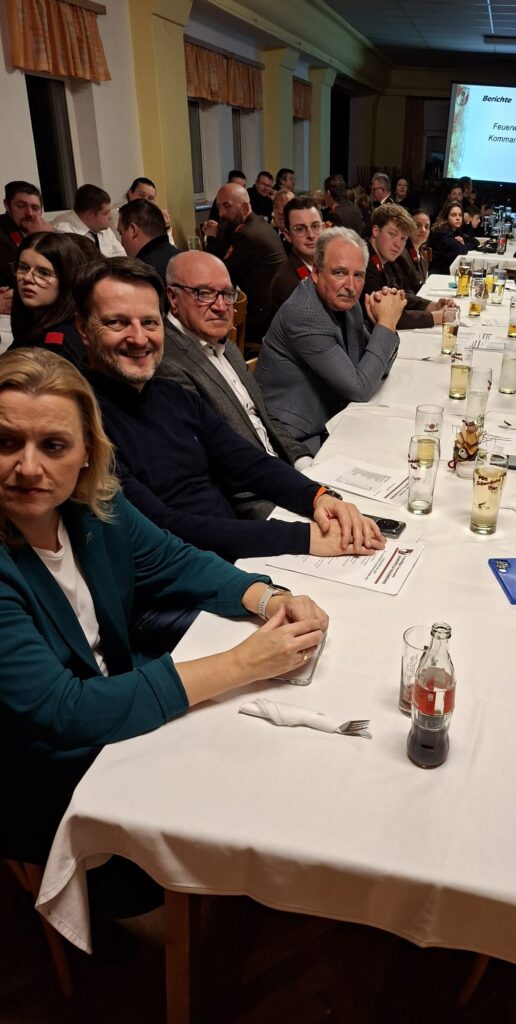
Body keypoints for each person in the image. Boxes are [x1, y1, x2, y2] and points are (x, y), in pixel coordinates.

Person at [0, 346, 329, 863]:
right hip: (43, 772)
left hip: (117, 703)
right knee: (252, 800)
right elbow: (62, 711)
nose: (27, 467)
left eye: (54, 445)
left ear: (86, 452)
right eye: (6, 442)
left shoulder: (93, 505)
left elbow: (176, 560)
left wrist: (270, 597)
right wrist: (241, 663)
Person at [74, 257, 383, 561]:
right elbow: (163, 527)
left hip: (233, 553)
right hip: (193, 570)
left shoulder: (171, 395)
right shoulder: (82, 421)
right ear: (83, 328)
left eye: (149, 322)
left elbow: (248, 461)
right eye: (117, 322)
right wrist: (303, 537)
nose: (139, 338)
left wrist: (318, 497)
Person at [159, 251, 312, 486]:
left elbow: (262, 416)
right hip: (253, 490)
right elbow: (216, 462)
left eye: (227, 294)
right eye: (205, 293)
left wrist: (303, 461)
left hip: (282, 469)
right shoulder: (168, 363)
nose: (221, 306)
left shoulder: (226, 346)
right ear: (173, 297)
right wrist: (298, 486)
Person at [256, 227, 407, 454]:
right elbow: (360, 388)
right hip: (295, 440)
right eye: (339, 273)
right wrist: (386, 323)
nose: (351, 286)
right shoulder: (304, 314)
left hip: (335, 418)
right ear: (316, 273)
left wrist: (384, 326)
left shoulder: (347, 303)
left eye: (358, 275)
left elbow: (377, 369)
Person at [202, 183, 286, 347]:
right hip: (273, 311)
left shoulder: (247, 235)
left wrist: (211, 238)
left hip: (262, 321)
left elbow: (217, 274)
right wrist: (220, 231)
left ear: (245, 207)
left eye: (227, 206)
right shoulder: (258, 223)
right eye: (218, 207)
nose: (221, 213)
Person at [8, 231, 100, 367]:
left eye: (43, 273)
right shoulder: (34, 321)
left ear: (66, 280)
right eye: (23, 267)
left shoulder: (57, 345)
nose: (27, 278)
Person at [363, 204, 456, 329]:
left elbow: (401, 294)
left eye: (403, 238)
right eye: (392, 234)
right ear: (376, 231)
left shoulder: (385, 257)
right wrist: (438, 317)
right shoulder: (363, 262)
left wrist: (432, 306)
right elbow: (386, 315)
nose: (398, 244)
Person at [0, 181, 52, 310]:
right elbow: (20, 274)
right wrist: (39, 239)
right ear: (7, 205)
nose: (29, 213)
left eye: (35, 208)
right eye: (21, 206)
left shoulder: (43, 228)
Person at [268, 196, 323, 316]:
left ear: (323, 228)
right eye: (300, 229)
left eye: (315, 226)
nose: (311, 235)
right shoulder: (286, 283)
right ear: (288, 235)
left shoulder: (330, 265)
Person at [53, 184, 126, 257]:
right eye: (105, 213)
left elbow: (122, 255)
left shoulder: (103, 228)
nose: (110, 217)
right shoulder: (63, 232)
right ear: (89, 214)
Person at [117, 199, 180, 281]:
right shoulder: (182, 258)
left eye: (121, 233)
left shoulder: (139, 275)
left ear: (133, 230)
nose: (121, 243)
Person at [428, 200, 480, 275]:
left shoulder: (455, 231)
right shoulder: (443, 232)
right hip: (438, 273)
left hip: (449, 270)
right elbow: (462, 250)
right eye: (454, 215)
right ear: (446, 217)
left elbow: (475, 242)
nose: (458, 218)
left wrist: (462, 243)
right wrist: (461, 245)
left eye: (460, 215)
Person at [398, 209, 431, 290]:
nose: (423, 230)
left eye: (426, 227)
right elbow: (407, 290)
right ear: (408, 228)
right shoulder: (402, 255)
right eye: (418, 225)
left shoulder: (423, 252)